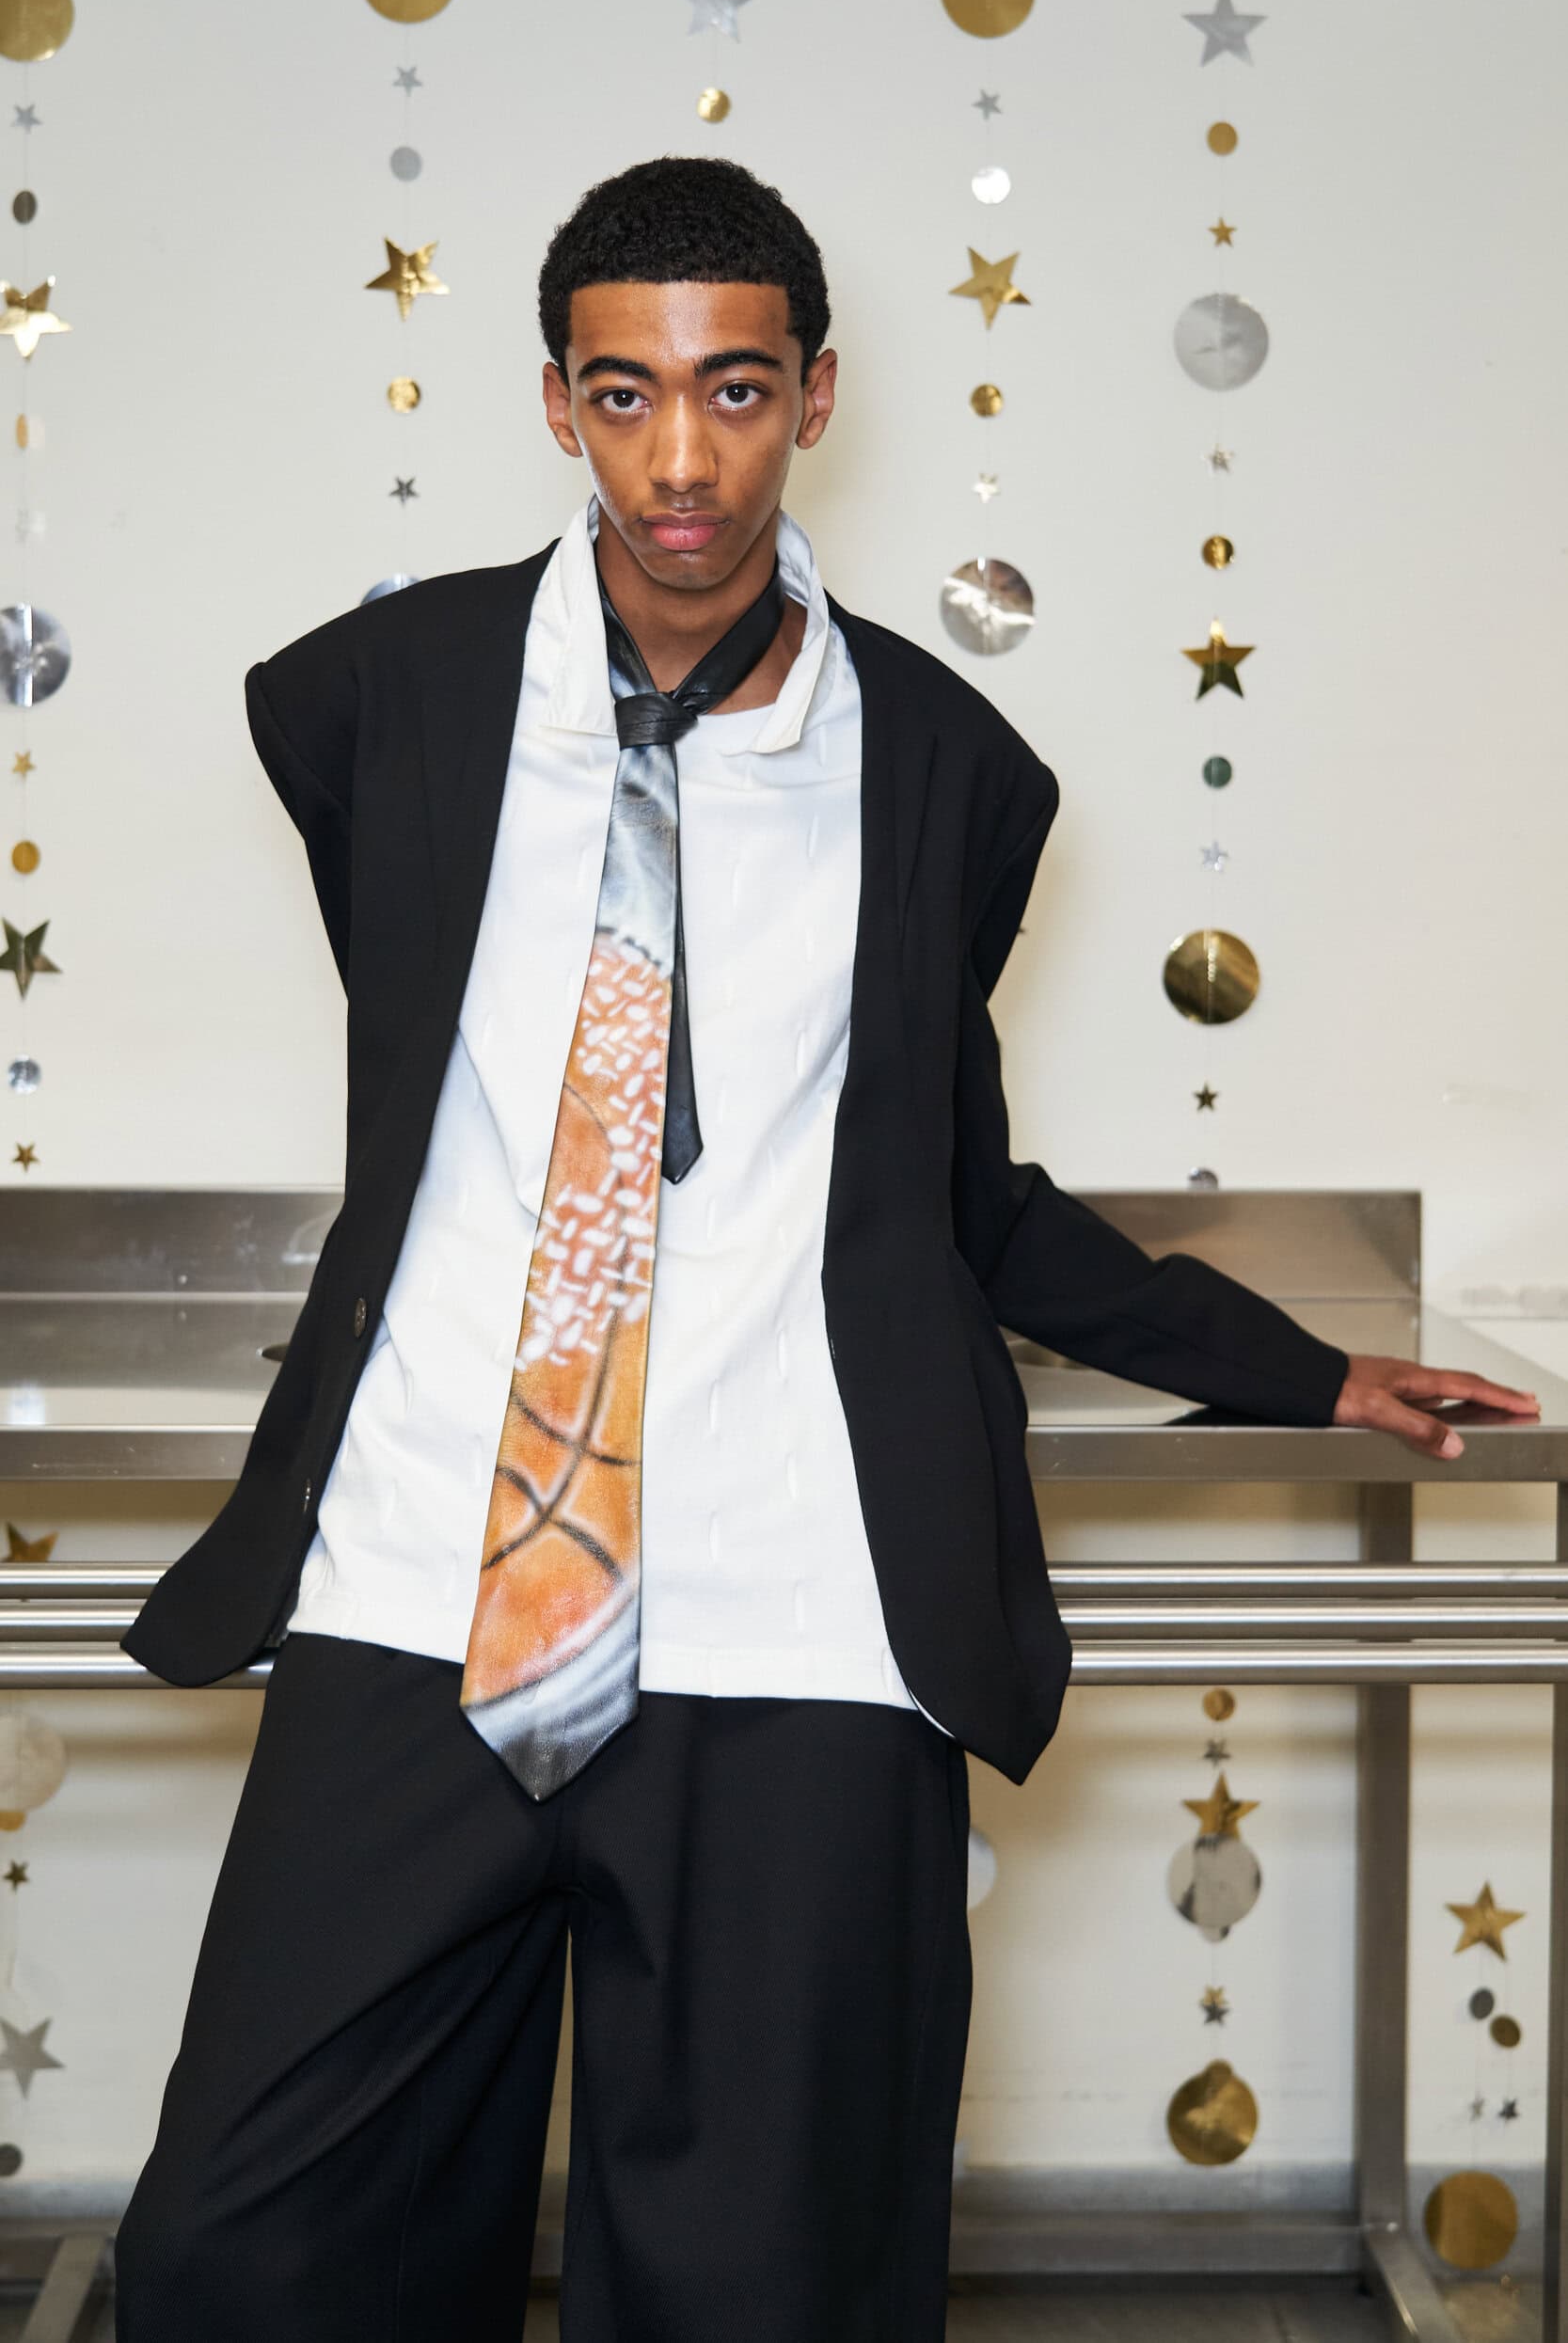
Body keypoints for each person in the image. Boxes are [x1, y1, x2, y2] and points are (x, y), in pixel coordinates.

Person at [111, 155, 1539, 2341]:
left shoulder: (951, 768)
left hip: (799, 1612)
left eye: (736, 390)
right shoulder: (376, 701)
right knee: (253, 2256)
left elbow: (949, 1193)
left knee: (768, 2288)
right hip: (425, 1577)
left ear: (816, 395)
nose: (681, 460)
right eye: (625, 393)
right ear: (560, 404)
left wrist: (1302, 1365)